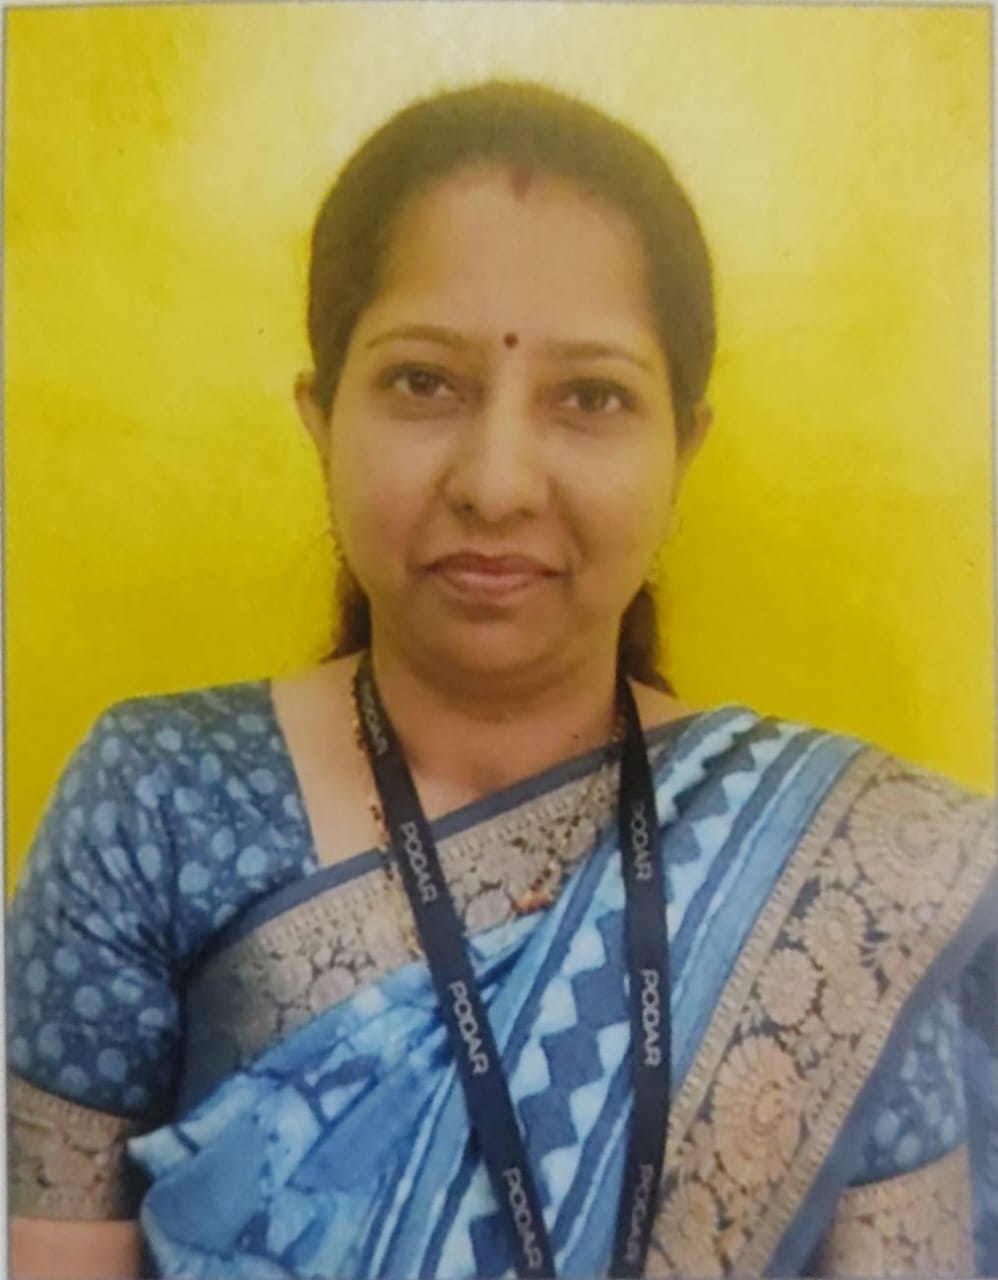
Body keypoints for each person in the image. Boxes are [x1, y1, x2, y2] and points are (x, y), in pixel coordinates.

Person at [7, 80, 996, 1280]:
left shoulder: (845, 877)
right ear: (322, 416)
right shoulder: (157, 800)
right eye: (423, 381)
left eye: (591, 396)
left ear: (681, 446)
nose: (497, 482)